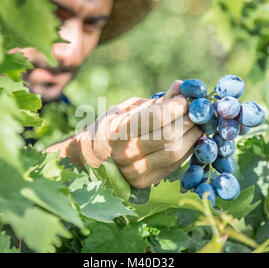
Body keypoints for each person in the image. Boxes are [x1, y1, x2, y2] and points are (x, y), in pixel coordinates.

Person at [12, 0, 203, 189]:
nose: (71, 53)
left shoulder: (64, 115)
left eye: (92, 24)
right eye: (54, 15)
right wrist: (81, 155)